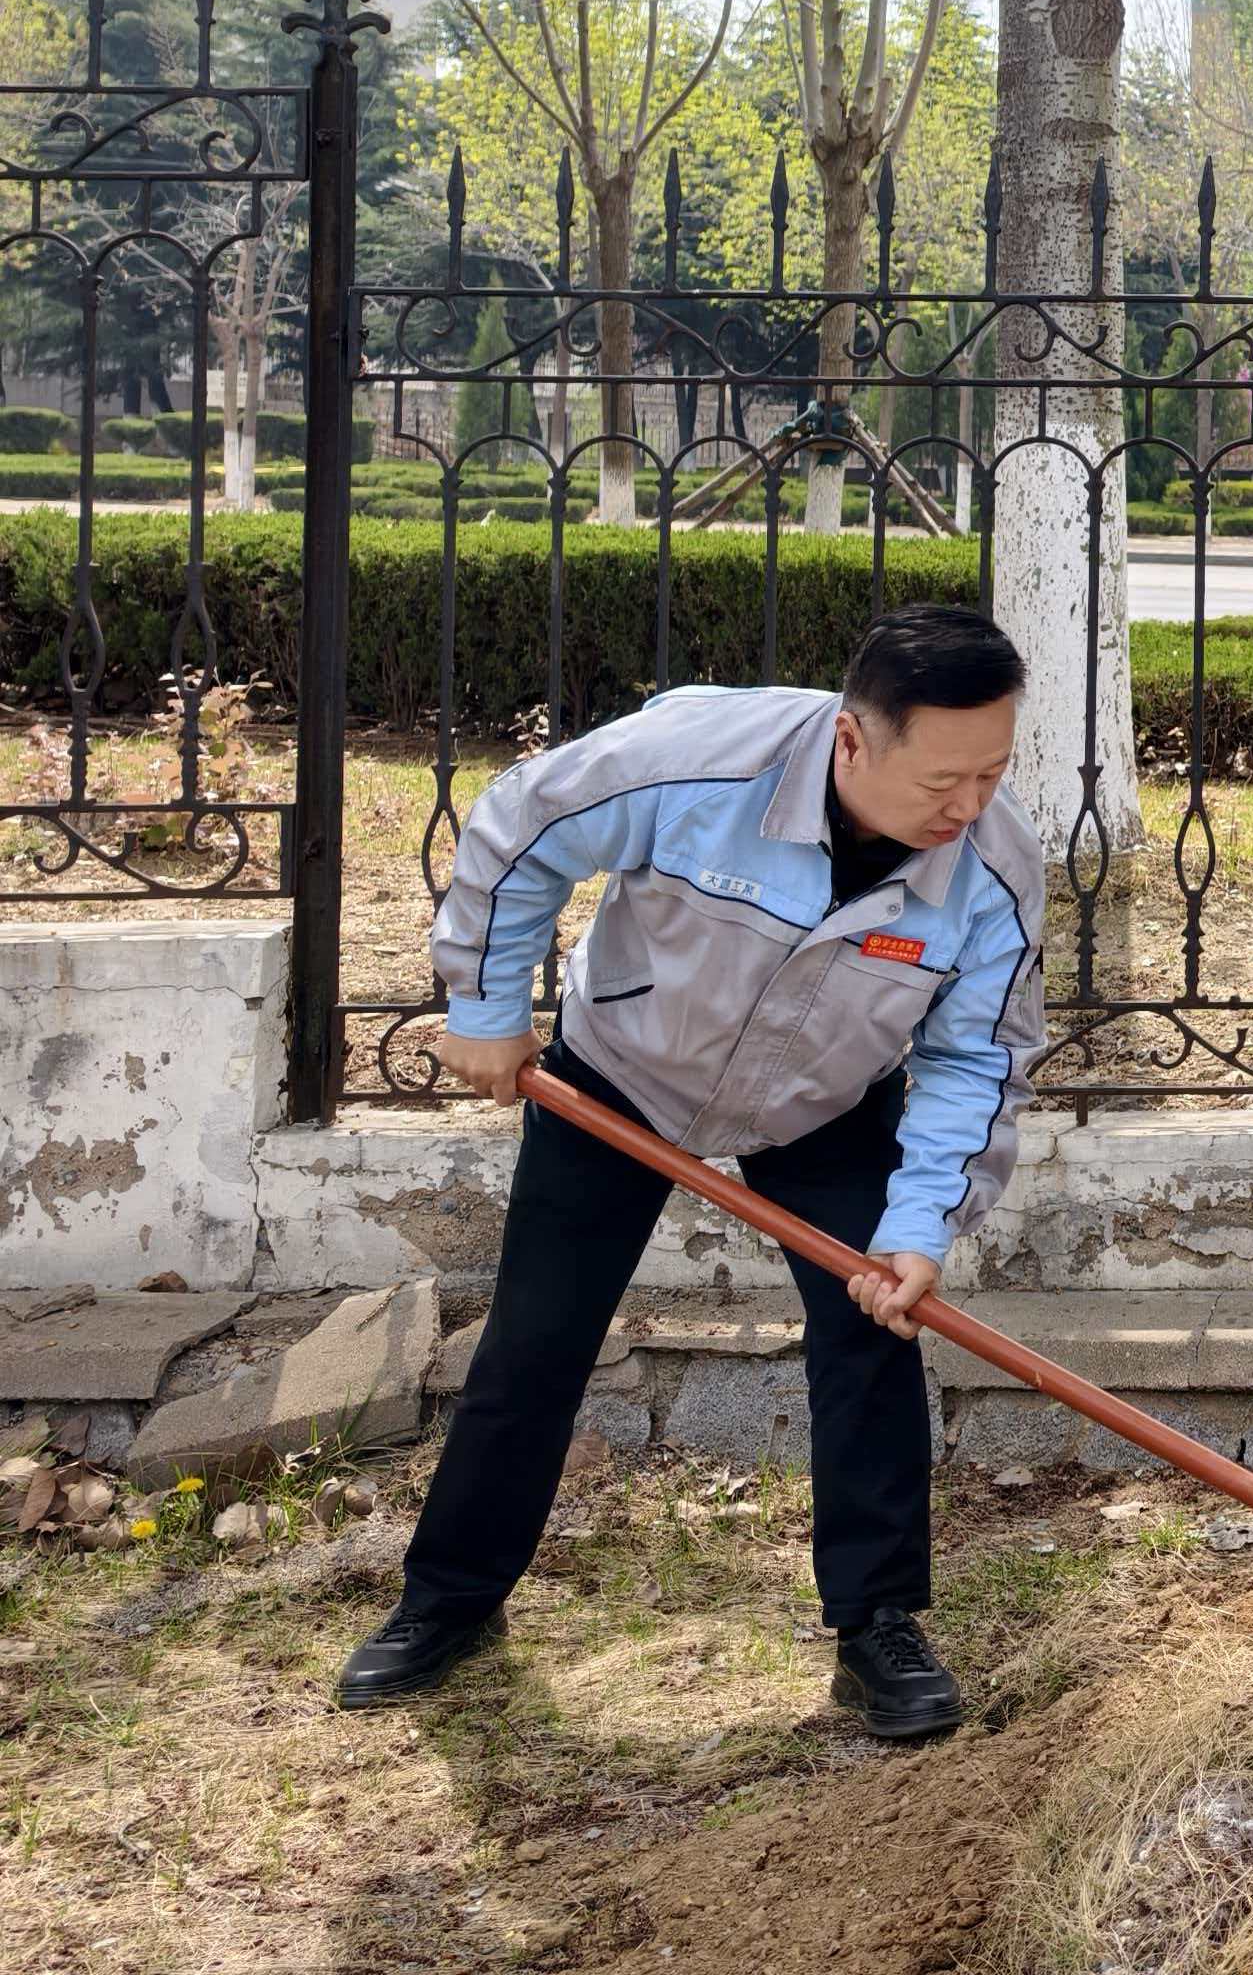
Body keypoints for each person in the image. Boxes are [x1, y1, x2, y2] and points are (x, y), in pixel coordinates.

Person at [335, 605, 1047, 1737]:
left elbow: (978, 1060)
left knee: (874, 1332)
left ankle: (878, 1625)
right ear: (853, 742)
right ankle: (448, 1603)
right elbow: (521, 828)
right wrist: (484, 1005)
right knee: (535, 1340)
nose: (968, 809)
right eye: (943, 783)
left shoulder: (994, 871)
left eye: (993, 775)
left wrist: (917, 1230)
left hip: (824, 1101)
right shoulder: (696, 762)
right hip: (621, 1073)